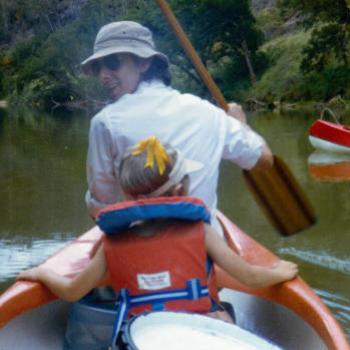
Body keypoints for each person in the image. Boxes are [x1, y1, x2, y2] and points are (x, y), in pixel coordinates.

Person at [18, 137, 297, 348]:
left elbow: (70, 291)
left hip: (140, 336)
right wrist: (279, 272)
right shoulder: (202, 232)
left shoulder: (112, 244)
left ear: (127, 195)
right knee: (223, 319)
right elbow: (249, 276)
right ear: (179, 190)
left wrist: (42, 272)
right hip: (197, 329)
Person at [81, 21, 273, 234]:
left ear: (143, 63)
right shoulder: (207, 112)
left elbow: (103, 209)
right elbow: (264, 160)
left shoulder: (104, 122)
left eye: (112, 63)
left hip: (140, 251)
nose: (103, 74)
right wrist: (241, 125)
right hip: (202, 248)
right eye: (99, 66)